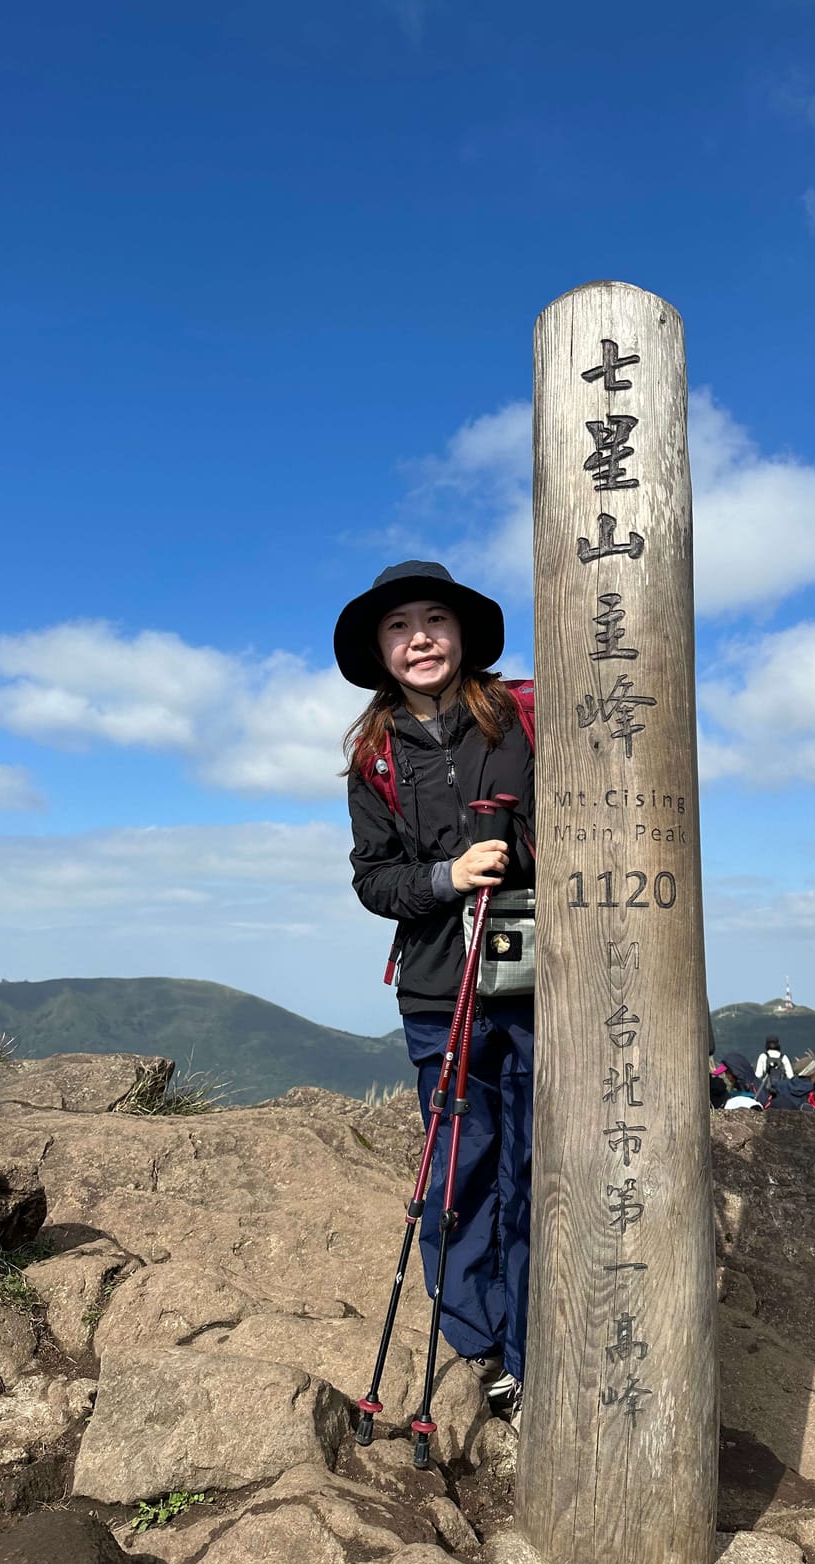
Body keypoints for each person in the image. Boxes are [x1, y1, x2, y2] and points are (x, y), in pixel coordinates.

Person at [335, 560, 534, 1416]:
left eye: (435, 620)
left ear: (462, 634)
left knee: (537, 1169)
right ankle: (480, 1342)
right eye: (398, 626)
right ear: (380, 650)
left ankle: (533, 1347)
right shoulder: (375, 757)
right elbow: (374, 880)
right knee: (459, 1173)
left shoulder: (520, 719)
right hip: (438, 993)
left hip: (537, 983)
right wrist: (447, 876)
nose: (419, 638)